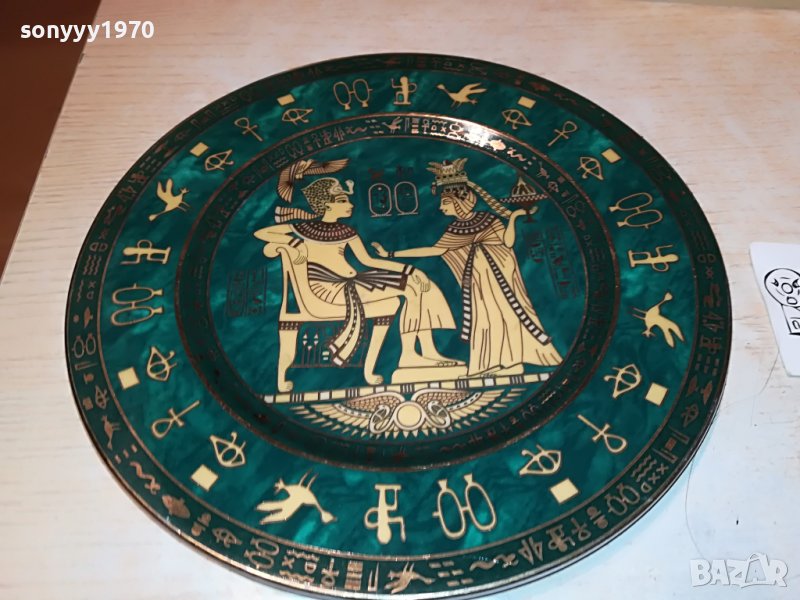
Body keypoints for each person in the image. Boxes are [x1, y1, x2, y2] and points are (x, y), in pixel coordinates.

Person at [254, 175, 460, 387]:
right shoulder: (304, 228)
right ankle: (409, 355)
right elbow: (262, 232)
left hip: (351, 281)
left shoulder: (346, 231)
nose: (350, 204)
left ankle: (426, 351)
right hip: (327, 289)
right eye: (343, 201)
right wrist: (293, 243)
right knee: (411, 287)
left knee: (419, 286)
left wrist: (412, 270)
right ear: (327, 205)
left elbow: (368, 260)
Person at [372, 159, 562, 377]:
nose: (441, 207)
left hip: (500, 279)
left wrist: (513, 219)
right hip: (478, 284)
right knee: (486, 319)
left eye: (445, 203)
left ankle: (513, 362)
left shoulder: (488, 219)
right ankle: (491, 364)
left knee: (508, 315)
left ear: (459, 201)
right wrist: (391, 254)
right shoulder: (456, 228)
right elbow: (434, 250)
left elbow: (507, 243)